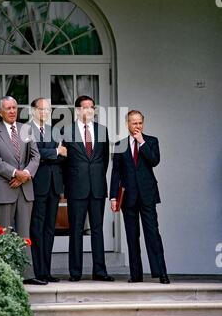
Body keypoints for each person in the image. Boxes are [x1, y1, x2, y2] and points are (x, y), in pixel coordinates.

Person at [110, 110, 170, 284]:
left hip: (147, 195)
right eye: (134, 123)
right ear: (127, 123)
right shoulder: (120, 144)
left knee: (152, 234)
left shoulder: (151, 141)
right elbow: (116, 173)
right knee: (131, 235)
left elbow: (154, 161)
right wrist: (113, 197)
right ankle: (136, 274)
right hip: (128, 197)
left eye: (140, 123)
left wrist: (141, 142)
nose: (137, 126)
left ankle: (161, 273)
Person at [0, 96, 40, 282]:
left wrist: (25, 174)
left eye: (14, 108)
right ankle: (5, 277)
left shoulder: (26, 129)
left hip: (25, 189)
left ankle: (27, 275)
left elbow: (35, 157)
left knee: (25, 234)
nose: (12, 111)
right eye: (8, 108)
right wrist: (16, 173)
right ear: (0, 112)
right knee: (3, 234)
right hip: (4, 188)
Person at [64, 95, 114, 282]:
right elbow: (63, 162)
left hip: (97, 188)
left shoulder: (103, 131)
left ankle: (100, 271)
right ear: (78, 110)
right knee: (76, 230)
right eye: (85, 107)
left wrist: (97, 178)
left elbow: (104, 160)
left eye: (92, 107)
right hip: (76, 188)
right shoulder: (66, 131)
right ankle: (75, 272)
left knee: (97, 230)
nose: (89, 110)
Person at [29, 97, 67, 285]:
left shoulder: (54, 130)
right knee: (37, 228)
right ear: (33, 111)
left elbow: (64, 155)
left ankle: (47, 271)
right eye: (41, 109)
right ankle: (37, 271)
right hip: (37, 185)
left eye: (48, 110)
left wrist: (52, 154)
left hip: (54, 185)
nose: (45, 113)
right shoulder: (26, 130)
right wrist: (54, 152)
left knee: (49, 229)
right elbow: (33, 154)